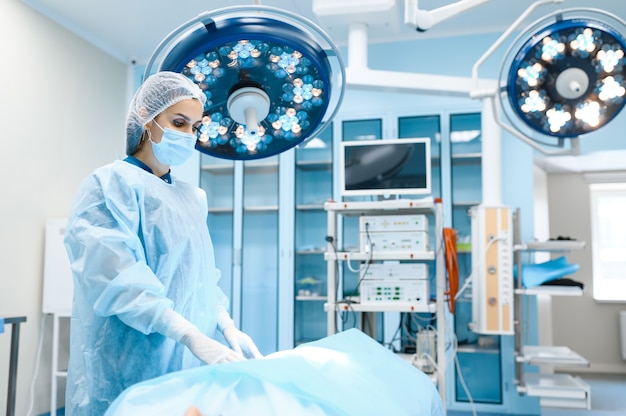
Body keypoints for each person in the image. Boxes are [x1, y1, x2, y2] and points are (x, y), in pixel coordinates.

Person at [64, 71, 262, 415]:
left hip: (187, 365)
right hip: (128, 365)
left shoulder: (190, 198)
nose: (189, 135)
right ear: (145, 117)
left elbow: (199, 279)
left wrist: (226, 326)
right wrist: (190, 336)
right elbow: (120, 283)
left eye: (195, 127)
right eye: (179, 122)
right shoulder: (109, 186)